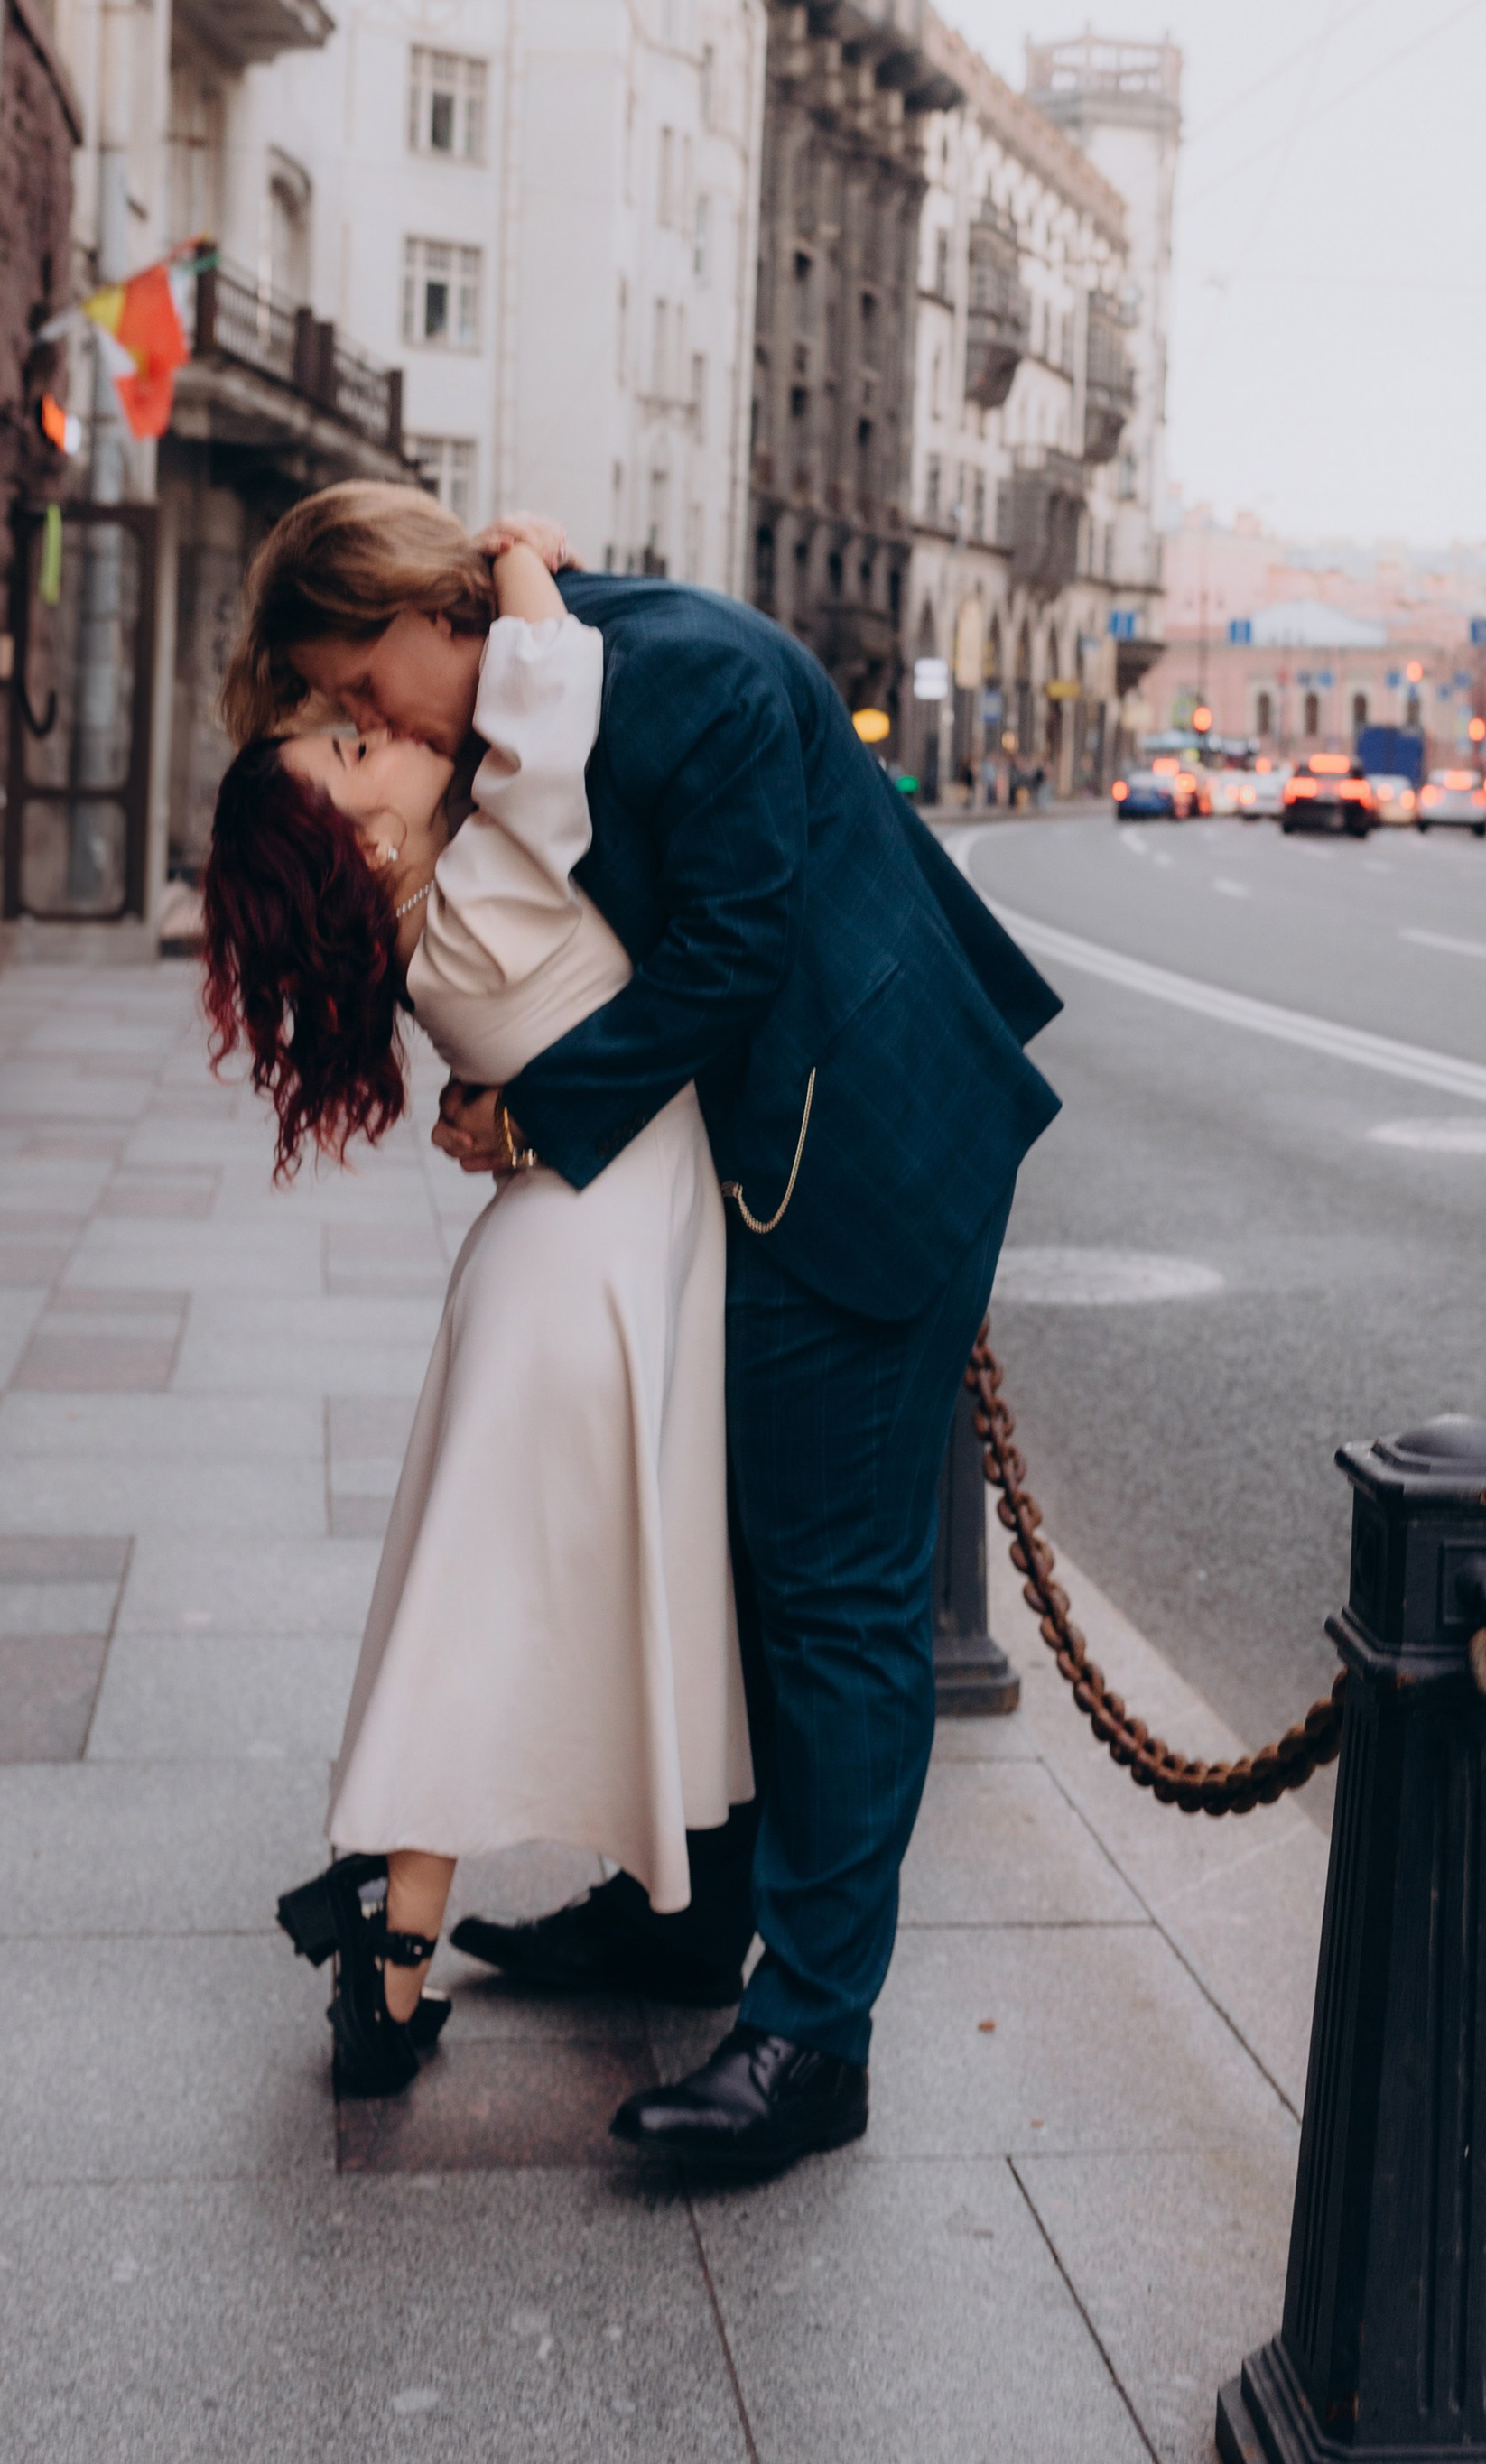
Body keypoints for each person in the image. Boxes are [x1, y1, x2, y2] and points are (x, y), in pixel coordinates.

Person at [219, 483, 1063, 2177]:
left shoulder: (693, 678)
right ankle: (693, 1921)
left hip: (866, 1163)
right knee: (743, 1569)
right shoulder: (546, 684)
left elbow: (733, 953)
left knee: (833, 1608)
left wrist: (528, 1117)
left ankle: (817, 2041)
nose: (370, 725)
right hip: (746, 1180)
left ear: (421, 613)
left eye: (368, 691)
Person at [201, 541, 751, 2100]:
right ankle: (395, 1945)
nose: (381, 734)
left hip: (558, 1257)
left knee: (476, 1606)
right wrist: (516, 566)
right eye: (350, 748)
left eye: (354, 720)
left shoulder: (428, 938)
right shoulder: (481, 893)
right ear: (352, 846)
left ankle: (393, 1956)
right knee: (496, 1611)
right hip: (591, 1262)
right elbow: (548, 726)